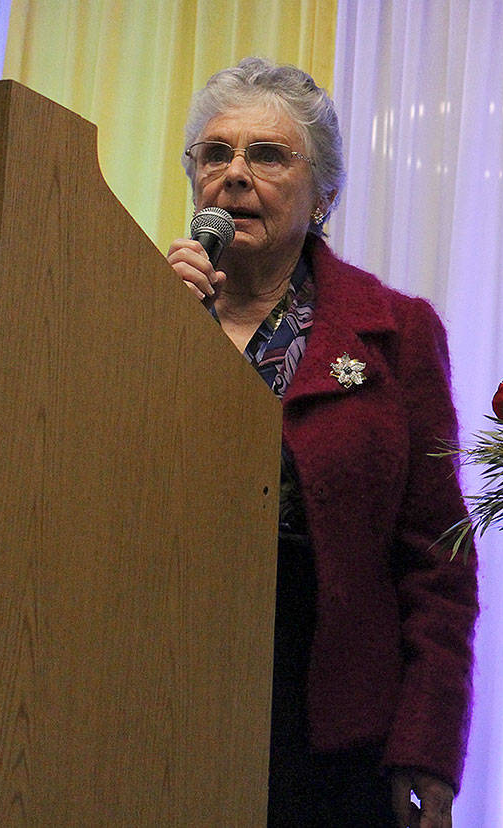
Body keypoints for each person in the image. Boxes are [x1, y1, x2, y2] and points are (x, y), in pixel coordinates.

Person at [166, 57, 477, 828]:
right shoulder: (142, 312)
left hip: (327, 715)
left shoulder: (397, 334)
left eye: (267, 155)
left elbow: (439, 559)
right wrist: (154, 324)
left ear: (325, 193)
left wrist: (429, 744)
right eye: (216, 153)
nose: (234, 175)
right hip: (155, 676)